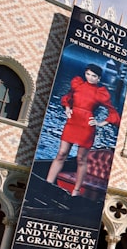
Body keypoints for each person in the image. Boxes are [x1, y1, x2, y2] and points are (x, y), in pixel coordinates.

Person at [45, 63, 121, 198]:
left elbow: (113, 112)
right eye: (88, 74)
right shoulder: (78, 84)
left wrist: (100, 123)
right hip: (72, 122)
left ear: (98, 78)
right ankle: (47, 183)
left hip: (86, 126)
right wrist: (67, 108)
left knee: (81, 159)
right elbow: (68, 98)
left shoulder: (100, 93)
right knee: (61, 153)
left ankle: (76, 190)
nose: (90, 78)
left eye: (94, 76)